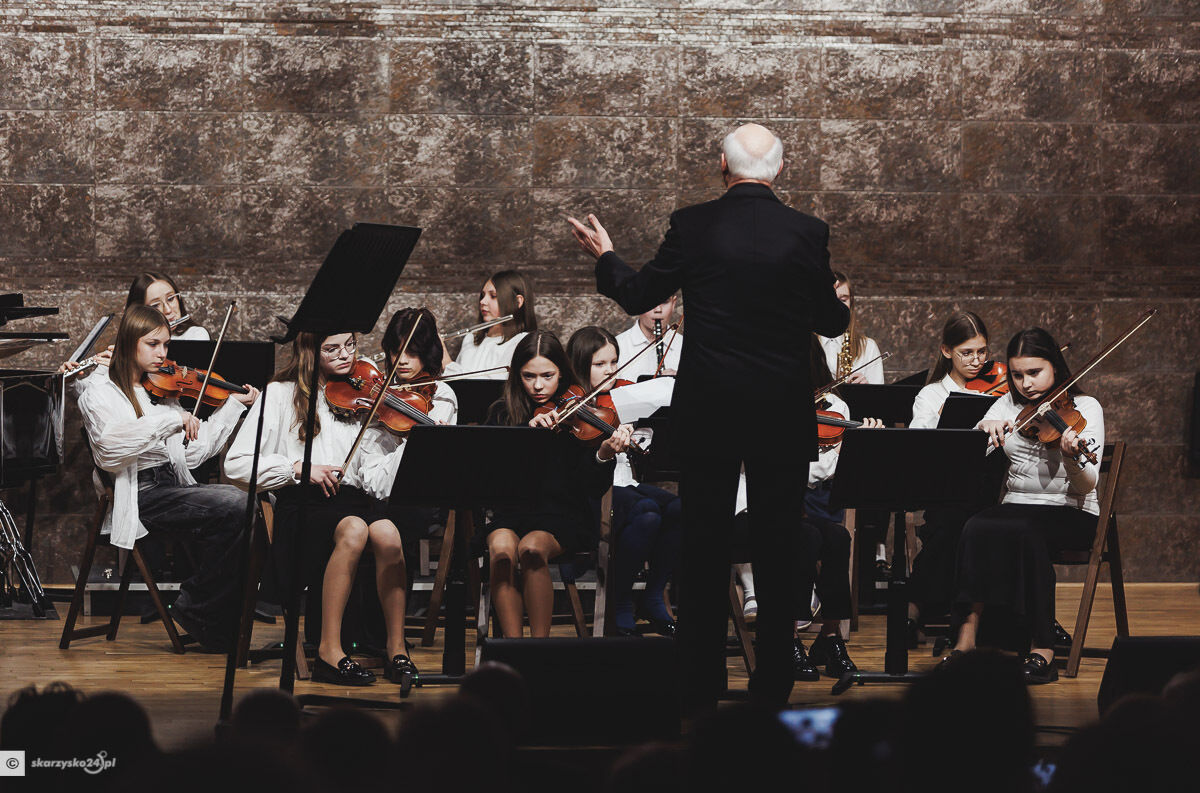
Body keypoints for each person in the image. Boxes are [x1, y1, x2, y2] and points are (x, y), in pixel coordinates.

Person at [569, 122, 849, 709]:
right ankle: (772, 685)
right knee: (778, 547)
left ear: (722, 166)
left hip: (710, 411)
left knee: (703, 547)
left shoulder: (692, 225)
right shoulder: (807, 232)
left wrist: (607, 256)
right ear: (782, 170)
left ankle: (701, 683)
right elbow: (833, 321)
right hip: (779, 413)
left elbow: (640, 290)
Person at [224, 331, 416, 686]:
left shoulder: (363, 393)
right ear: (310, 351)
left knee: (389, 533)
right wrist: (298, 468)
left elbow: (375, 480)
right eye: (332, 349)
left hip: (354, 500)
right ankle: (330, 650)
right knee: (355, 528)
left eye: (350, 346)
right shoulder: (280, 395)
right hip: (303, 505)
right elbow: (235, 464)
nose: (345, 356)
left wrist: (405, 441)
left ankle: (396, 648)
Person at [77, 305, 257, 651]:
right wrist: (169, 420)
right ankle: (201, 609)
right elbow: (109, 450)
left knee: (256, 506)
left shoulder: (158, 391)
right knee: (236, 504)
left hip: (170, 486)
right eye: (153, 344)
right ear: (130, 343)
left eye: (166, 345)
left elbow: (191, 454)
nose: (163, 354)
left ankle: (207, 611)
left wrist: (233, 405)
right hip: (139, 494)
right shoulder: (99, 392)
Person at [944, 328, 1104, 684]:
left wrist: (1073, 458)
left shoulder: (1086, 407)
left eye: (1034, 372)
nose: (1026, 384)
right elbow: (971, 461)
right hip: (1017, 504)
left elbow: (1089, 483)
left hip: (1072, 511)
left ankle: (1043, 647)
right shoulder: (1007, 404)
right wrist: (983, 429)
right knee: (975, 526)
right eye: (1017, 375)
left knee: (1027, 532)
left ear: (1055, 367)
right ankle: (966, 638)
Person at [484, 331, 632, 638]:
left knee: (532, 549)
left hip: (563, 515)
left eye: (548, 376)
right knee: (500, 550)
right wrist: (526, 436)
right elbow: (491, 476)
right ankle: (513, 650)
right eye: (529, 376)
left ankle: (538, 649)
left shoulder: (578, 413)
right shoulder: (501, 412)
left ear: (561, 372)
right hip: (512, 512)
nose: (538, 386)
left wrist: (604, 453)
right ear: (516, 375)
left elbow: (591, 487)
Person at [567, 325, 681, 637]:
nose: (610, 371)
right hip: (591, 490)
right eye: (599, 364)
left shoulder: (625, 393)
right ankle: (619, 600)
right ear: (579, 364)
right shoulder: (571, 400)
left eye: (614, 362)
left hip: (625, 482)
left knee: (680, 508)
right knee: (646, 512)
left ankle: (654, 594)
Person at [907, 311, 996, 642]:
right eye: (967, 353)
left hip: (990, 492)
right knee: (953, 523)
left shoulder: (998, 391)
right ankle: (964, 623)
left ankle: (914, 609)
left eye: (982, 352)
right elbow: (920, 443)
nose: (977, 361)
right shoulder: (931, 395)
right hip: (945, 491)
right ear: (947, 351)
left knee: (964, 524)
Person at [60, 270, 208, 392]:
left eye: (171, 299)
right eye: (156, 305)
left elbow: (188, 384)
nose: (168, 310)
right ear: (139, 312)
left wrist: (129, 363)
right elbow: (88, 393)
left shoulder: (196, 334)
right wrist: (70, 382)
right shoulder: (133, 342)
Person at [442, 269, 537, 380]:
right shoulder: (471, 338)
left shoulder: (522, 342)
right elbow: (454, 386)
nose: (483, 301)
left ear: (517, 302)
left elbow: (490, 385)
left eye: (493, 296)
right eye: (483, 295)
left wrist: (447, 363)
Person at [816, 271, 883, 384]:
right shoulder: (803, 345)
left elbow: (879, 400)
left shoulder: (868, 347)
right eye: (830, 299)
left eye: (843, 300)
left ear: (851, 302)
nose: (836, 306)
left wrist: (868, 391)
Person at [613, 294, 683, 380]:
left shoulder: (688, 346)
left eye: (664, 302)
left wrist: (682, 382)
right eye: (650, 301)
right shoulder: (616, 346)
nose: (658, 310)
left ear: (673, 304)